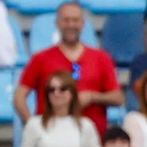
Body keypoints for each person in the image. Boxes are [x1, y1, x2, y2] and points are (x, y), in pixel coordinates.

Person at [13, 3, 123, 137]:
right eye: (66, 20)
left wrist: (92, 97)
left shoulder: (102, 58)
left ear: (83, 23)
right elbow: (19, 97)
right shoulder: (41, 59)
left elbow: (117, 98)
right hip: (51, 139)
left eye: (75, 20)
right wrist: (34, 127)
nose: (71, 25)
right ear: (57, 23)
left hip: (92, 141)